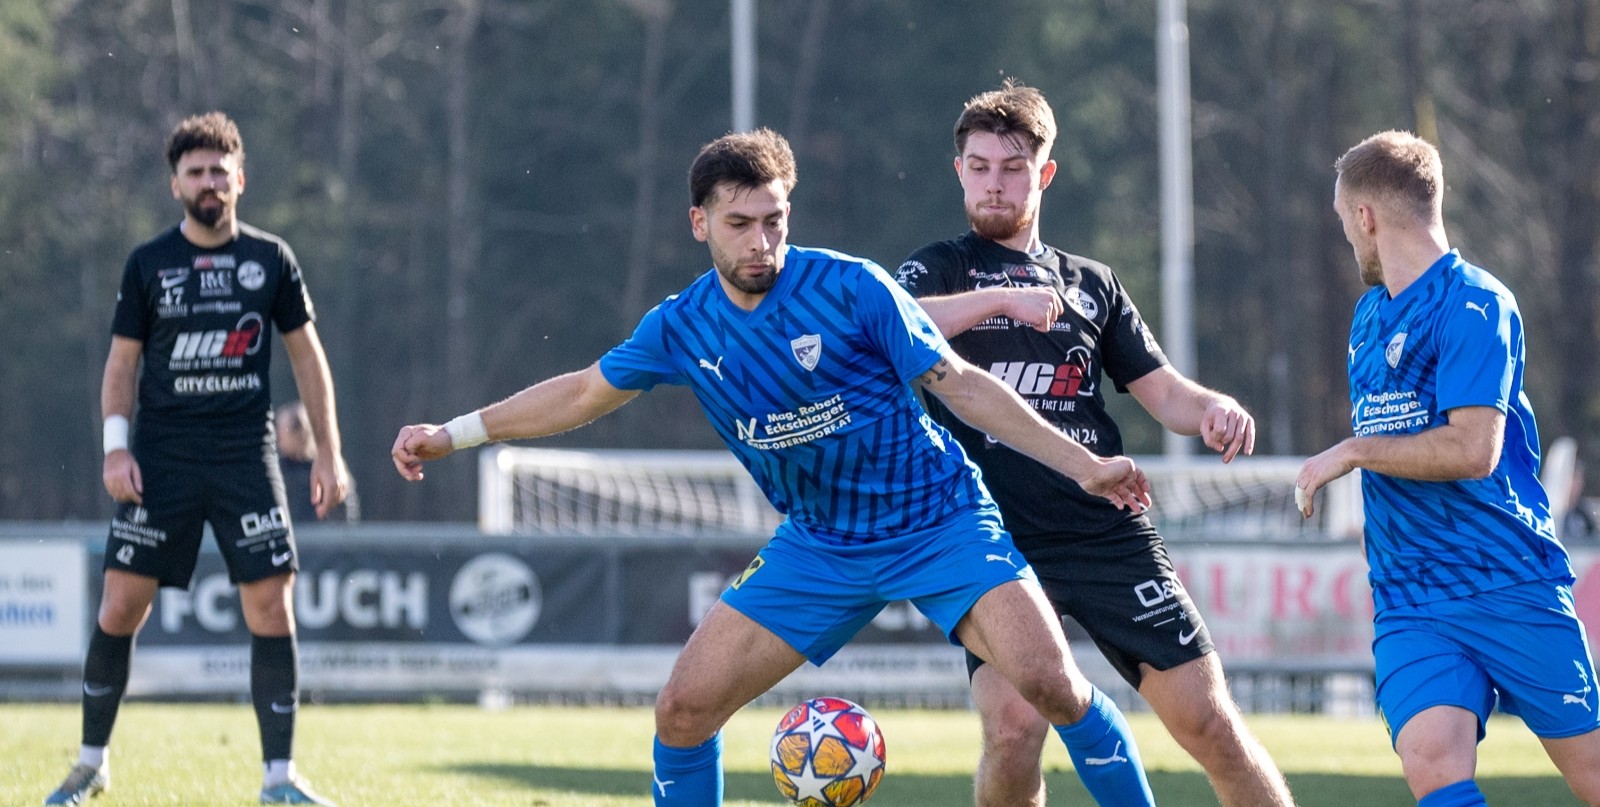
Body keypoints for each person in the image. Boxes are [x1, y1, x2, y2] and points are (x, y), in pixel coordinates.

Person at [393, 128, 1161, 806]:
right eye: (739, 224)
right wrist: (453, 434)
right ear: (699, 223)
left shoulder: (852, 287)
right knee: (683, 710)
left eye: (774, 221)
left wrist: (1085, 464)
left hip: (939, 522)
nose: (761, 242)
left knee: (1054, 687)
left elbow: (959, 383)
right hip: (821, 543)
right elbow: (582, 392)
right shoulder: (682, 325)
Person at [895, 82, 1295, 807]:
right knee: (1013, 727)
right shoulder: (938, 269)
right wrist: (999, 299)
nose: (993, 183)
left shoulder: (1093, 284)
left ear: (1045, 174)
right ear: (959, 172)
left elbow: (1164, 391)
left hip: (1105, 529)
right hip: (992, 539)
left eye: (1012, 168)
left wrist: (1213, 407)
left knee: (1210, 723)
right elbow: (897, 326)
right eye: (978, 167)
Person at [46, 112, 349, 807]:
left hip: (246, 455)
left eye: (219, 171)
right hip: (163, 458)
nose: (208, 182)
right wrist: (115, 448)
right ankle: (90, 765)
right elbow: (121, 365)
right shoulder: (148, 264)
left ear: (241, 179)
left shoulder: (271, 259)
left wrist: (330, 453)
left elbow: (308, 358)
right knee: (121, 603)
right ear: (175, 184)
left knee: (272, 603)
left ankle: (279, 779)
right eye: (195, 172)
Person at [1296, 130, 1600, 807]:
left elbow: (1472, 450)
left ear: (1366, 217)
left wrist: (1352, 450)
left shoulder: (1476, 304)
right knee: (1432, 763)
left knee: (1593, 775)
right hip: (1410, 597)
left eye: (1345, 223)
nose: (1348, 239)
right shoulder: (1368, 317)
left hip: (1506, 580)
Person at [276, 400, 359, 524]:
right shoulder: (277, 470)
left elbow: (345, 512)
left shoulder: (328, 468)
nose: (278, 437)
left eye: (282, 431)